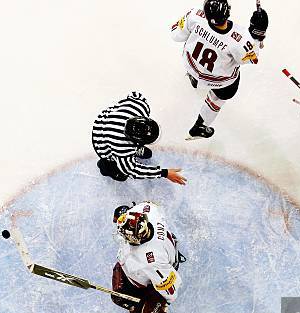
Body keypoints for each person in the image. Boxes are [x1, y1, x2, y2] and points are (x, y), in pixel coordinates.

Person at [171, 0, 268, 138]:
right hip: (218, 81)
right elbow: (252, 59)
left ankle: (194, 78)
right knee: (222, 94)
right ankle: (201, 125)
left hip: (191, 65)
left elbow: (176, 35)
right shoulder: (240, 39)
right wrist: (257, 35)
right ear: (228, 11)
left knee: (195, 63)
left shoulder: (195, 15)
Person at [111, 201, 185, 313]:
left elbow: (171, 288)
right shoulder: (148, 211)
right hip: (167, 252)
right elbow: (149, 204)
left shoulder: (151, 262)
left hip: (160, 273)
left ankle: (137, 306)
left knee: (118, 296)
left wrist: (161, 303)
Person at [92, 92, 187, 184]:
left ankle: (134, 150)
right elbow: (131, 171)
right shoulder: (121, 147)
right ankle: (105, 166)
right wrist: (165, 173)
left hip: (106, 120)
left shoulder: (140, 107)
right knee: (121, 176)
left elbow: (135, 95)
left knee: (147, 154)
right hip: (101, 142)